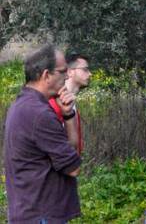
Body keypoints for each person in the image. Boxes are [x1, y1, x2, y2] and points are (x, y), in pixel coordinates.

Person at [4, 45, 82, 223]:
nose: (68, 75)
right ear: (46, 75)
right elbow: (73, 167)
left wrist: (68, 115)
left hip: (32, 213)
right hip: (41, 216)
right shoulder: (39, 114)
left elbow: (70, 152)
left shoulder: (24, 105)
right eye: (63, 71)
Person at [48, 52, 91, 154]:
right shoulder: (53, 104)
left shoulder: (70, 103)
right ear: (70, 72)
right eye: (85, 69)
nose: (90, 74)